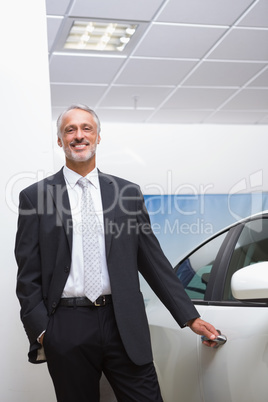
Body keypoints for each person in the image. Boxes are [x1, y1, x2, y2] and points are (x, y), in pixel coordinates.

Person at [15, 104, 219, 402]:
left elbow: (153, 262)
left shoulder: (127, 193)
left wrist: (189, 317)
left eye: (86, 128)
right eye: (69, 130)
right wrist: (45, 332)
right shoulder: (35, 196)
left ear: (98, 137)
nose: (78, 135)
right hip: (67, 325)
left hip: (123, 321)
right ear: (60, 140)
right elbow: (27, 275)